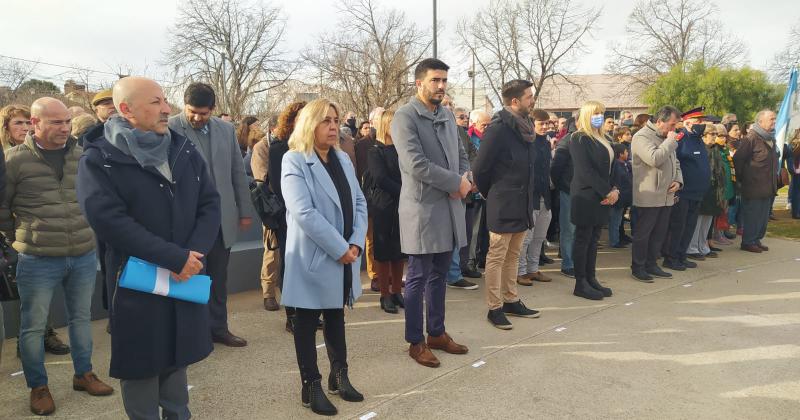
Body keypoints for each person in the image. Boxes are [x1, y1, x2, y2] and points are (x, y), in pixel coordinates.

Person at [78, 76, 220, 420]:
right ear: (126, 109)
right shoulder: (100, 159)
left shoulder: (182, 148)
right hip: (136, 284)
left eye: (165, 100)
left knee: (176, 362)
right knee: (142, 368)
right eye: (155, 102)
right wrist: (174, 257)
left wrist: (192, 256)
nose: (166, 108)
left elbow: (210, 204)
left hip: (183, 275)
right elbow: (110, 221)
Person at [1, 97, 113, 416]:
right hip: (36, 258)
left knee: (81, 319)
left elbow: (96, 197)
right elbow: (2, 208)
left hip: (81, 253)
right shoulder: (14, 160)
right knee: (33, 326)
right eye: (55, 122)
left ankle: (84, 373)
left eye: (66, 121)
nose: (65, 128)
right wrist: (19, 238)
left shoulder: (83, 155)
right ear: (35, 123)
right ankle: (38, 386)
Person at [280, 98, 367, 416]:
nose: (333, 126)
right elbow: (303, 211)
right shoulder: (294, 160)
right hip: (314, 256)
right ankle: (311, 385)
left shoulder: (343, 159)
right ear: (309, 124)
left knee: (336, 316)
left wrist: (356, 241)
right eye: (325, 121)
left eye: (335, 120)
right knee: (305, 321)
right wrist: (340, 247)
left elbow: (359, 201)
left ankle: (339, 375)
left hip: (345, 252)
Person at [391, 58, 470, 368]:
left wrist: (464, 181)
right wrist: (454, 183)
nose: (441, 86)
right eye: (435, 80)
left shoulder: (448, 116)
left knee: (439, 275)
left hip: (449, 206)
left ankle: (436, 332)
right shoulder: (405, 117)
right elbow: (415, 164)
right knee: (418, 277)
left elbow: (462, 156)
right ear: (419, 83)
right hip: (422, 209)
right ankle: (416, 340)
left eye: (444, 80)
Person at [168, 82, 253, 348]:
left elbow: (237, 172)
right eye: (192, 111)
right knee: (191, 278)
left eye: (203, 113)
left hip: (222, 219)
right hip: (188, 221)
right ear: (184, 105)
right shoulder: (169, 128)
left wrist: (244, 210)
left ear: (212, 109)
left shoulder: (226, 129)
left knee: (218, 277)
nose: (196, 117)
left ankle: (219, 328)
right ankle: (192, 334)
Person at [0, 104, 71, 355]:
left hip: (43, 235)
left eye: (26, 122)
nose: (25, 127)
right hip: (18, 235)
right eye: (17, 123)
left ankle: (46, 333)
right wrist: (10, 235)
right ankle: (26, 340)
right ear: (6, 128)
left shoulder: (44, 152)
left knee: (41, 294)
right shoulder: (9, 157)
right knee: (25, 295)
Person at [473, 79, 541, 330]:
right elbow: (480, 169)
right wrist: (493, 193)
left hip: (522, 202)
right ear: (515, 101)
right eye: (529, 97)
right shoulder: (498, 128)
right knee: (497, 256)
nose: (532, 101)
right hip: (503, 202)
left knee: (514, 254)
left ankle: (511, 299)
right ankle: (495, 307)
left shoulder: (526, 126)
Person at [568, 101, 618, 300]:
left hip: (602, 196)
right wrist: (607, 191)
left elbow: (612, 168)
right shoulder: (579, 138)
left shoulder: (604, 138)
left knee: (594, 239)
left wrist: (614, 189)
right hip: (586, 196)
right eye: (597, 113)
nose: (600, 117)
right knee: (583, 239)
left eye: (602, 113)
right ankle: (580, 282)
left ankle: (591, 278)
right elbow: (585, 171)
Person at [267, 101, 308, 330]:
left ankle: (308, 313)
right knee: (290, 266)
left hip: (312, 218)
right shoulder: (279, 148)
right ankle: (292, 316)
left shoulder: (313, 147)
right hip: (288, 218)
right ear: (291, 120)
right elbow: (278, 187)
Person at [630, 106, 682, 282]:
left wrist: (678, 180)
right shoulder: (641, 137)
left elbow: (676, 162)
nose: (674, 129)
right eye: (672, 125)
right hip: (649, 194)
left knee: (659, 233)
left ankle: (652, 264)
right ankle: (638, 266)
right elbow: (654, 158)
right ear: (659, 121)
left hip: (667, 194)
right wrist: (669, 142)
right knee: (644, 233)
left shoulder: (666, 137)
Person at [367, 110, 406, 314]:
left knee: (399, 250)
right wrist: (405, 191)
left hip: (402, 204)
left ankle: (397, 291)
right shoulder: (376, 151)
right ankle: (385, 294)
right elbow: (380, 178)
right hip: (384, 205)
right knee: (383, 251)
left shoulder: (401, 149)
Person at [663, 107, 711, 271]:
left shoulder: (697, 138)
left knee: (689, 226)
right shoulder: (681, 138)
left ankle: (681, 255)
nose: (702, 124)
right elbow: (673, 163)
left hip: (697, 192)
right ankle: (671, 257)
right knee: (678, 225)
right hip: (683, 192)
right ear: (688, 122)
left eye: (702, 121)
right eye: (698, 121)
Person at [733, 109, 778, 253]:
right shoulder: (751, 138)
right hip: (753, 186)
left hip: (767, 186)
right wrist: (744, 178)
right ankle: (748, 242)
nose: (774, 122)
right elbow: (738, 159)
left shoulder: (770, 138)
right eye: (771, 119)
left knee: (763, 217)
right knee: (753, 215)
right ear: (760, 121)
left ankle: (756, 239)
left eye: (774, 119)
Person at [517, 108, 553, 285]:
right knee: (526, 238)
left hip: (545, 196)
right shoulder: (526, 143)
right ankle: (521, 271)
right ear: (532, 124)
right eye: (541, 123)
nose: (545, 127)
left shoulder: (546, 143)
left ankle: (533, 269)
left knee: (539, 237)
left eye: (547, 123)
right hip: (530, 197)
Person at [687, 124, 727, 258]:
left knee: (708, 219)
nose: (715, 137)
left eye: (716, 134)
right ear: (703, 136)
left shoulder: (715, 150)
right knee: (697, 219)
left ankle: (703, 246)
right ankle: (692, 248)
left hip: (714, 188)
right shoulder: (699, 148)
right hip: (701, 187)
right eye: (712, 134)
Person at [550, 117, 577, 278]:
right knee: (569, 229)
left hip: (585, 193)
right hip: (569, 190)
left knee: (579, 230)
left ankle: (576, 260)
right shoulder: (568, 141)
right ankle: (568, 264)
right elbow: (556, 168)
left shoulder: (590, 139)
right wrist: (563, 186)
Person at [467, 110, 491, 272]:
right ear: (473, 124)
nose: (487, 128)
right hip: (474, 190)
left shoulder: (491, 139)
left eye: (490, 125)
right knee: (474, 230)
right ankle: (470, 260)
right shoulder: (469, 139)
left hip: (489, 191)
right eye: (484, 125)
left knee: (486, 229)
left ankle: (483, 258)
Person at [609, 143, 632, 248]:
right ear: (620, 154)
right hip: (619, 198)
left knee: (618, 220)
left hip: (624, 198)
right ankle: (614, 241)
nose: (628, 153)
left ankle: (617, 239)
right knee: (615, 221)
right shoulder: (617, 166)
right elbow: (617, 181)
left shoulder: (626, 164)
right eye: (626, 152)